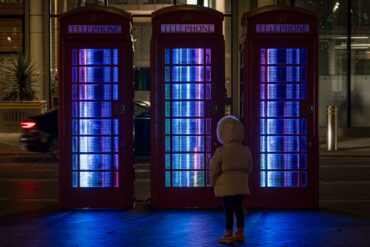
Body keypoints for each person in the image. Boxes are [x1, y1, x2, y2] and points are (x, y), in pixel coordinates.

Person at [210, 116, 253, 244]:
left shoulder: (221, 151)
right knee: (239, 209)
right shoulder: (246, 150)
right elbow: (250, 167)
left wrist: (213, 181)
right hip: (241, 183)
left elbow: (214, 169)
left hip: (225, 184)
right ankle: (240, 234)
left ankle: (228, 235)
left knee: (228, 210)